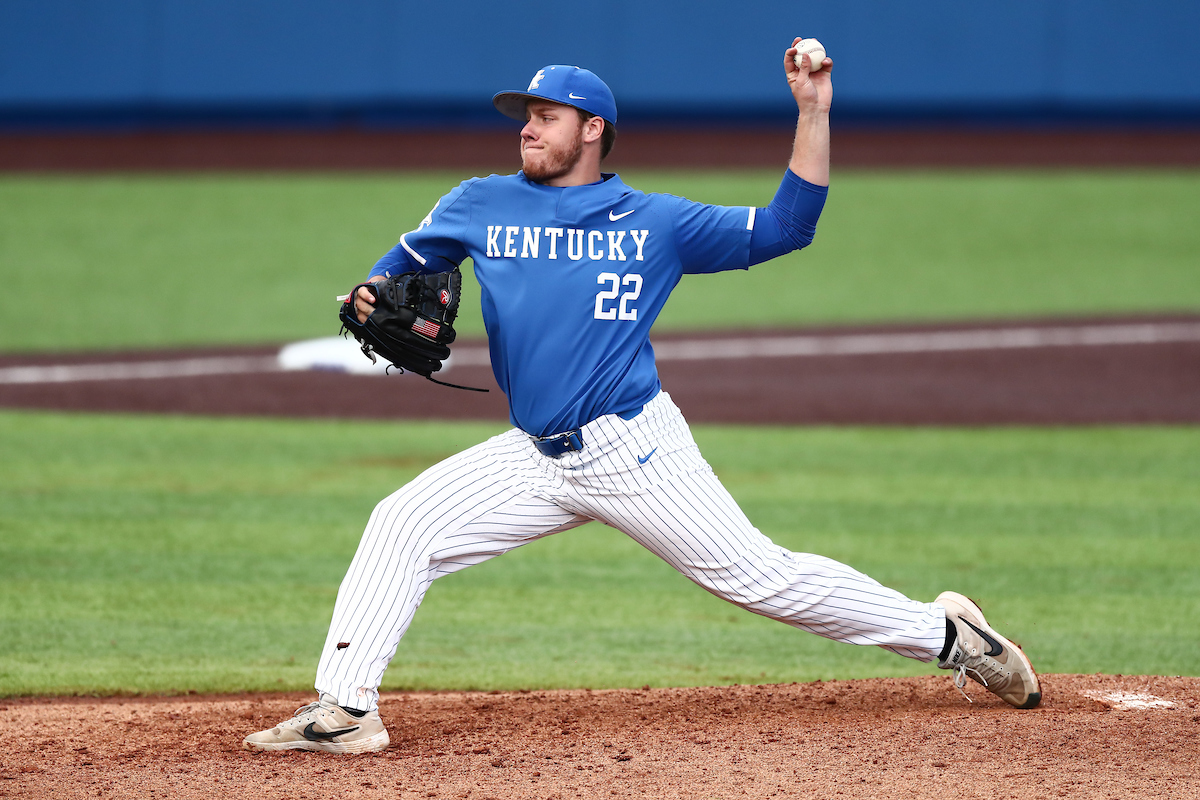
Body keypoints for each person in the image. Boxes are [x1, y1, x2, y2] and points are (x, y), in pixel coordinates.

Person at [244, 38, 1040, 754]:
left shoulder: (655, 222)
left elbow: (788, 226)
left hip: (636, 450)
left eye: (546, 116)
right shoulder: (477, 202)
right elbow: (391, 272)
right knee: (402, 522)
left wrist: (813, 111)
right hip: (533, 456)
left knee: (764, 580)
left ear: (592, 128)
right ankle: (347, 710)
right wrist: (369, 293)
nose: (527, 127)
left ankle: (952, 637)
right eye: (524, 115)